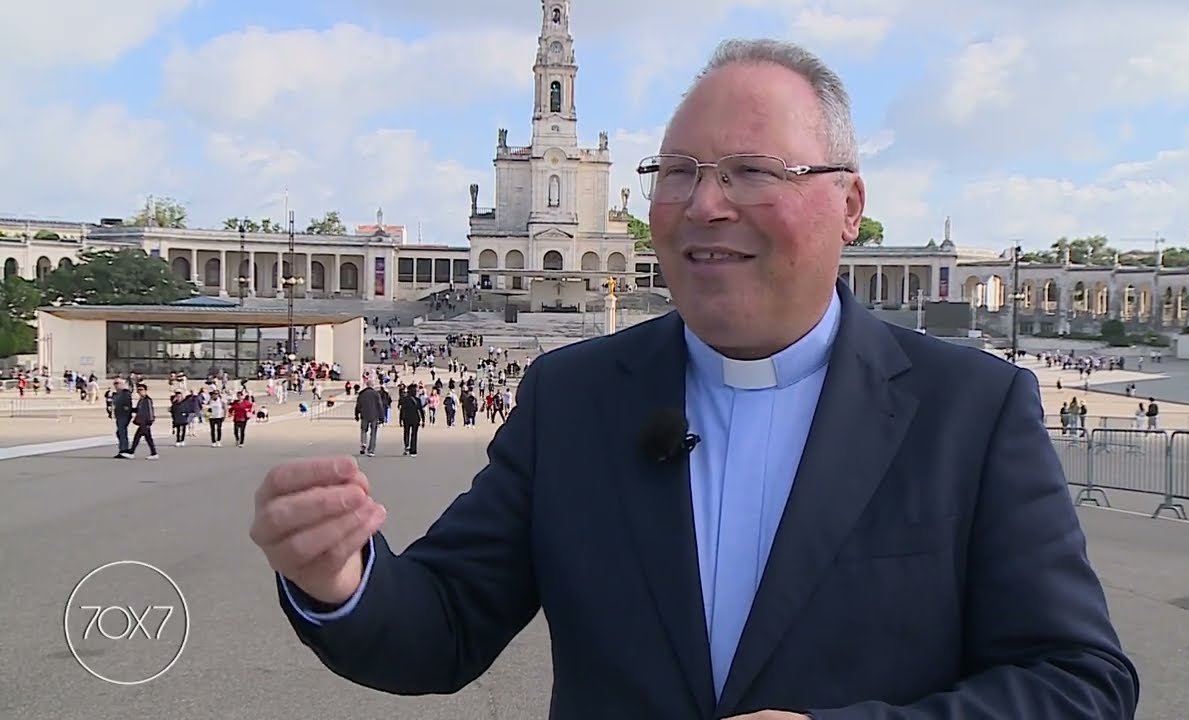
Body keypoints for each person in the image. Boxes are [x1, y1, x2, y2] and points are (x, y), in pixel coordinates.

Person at [251, 38, 1138, 719]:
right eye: (677, 173)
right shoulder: (574, 400)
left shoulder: (969, 410)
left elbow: (1081, 683)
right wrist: (342, 578)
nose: (706, 204)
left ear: (850, 207)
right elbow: (443, 623)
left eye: (752, 172)